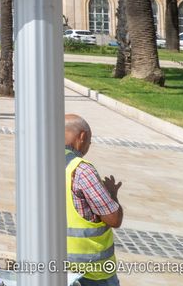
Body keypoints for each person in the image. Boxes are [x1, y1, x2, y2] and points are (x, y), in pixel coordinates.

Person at [64, 114, 122, 285]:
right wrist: (112, 194)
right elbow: (114, 218)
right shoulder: (81, 170)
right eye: (89, 141)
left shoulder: (42, 162)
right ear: (82, 137)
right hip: (91, 273)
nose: (88, 146)